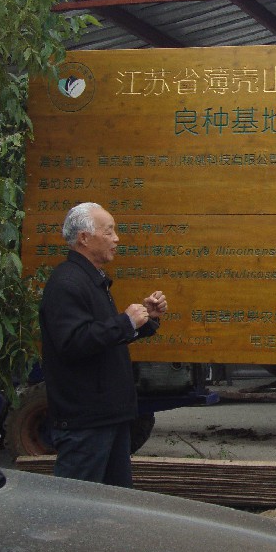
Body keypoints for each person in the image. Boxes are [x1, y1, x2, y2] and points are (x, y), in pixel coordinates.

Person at [39, 202, 167, 487]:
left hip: (108, 416)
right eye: (108, 232)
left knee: (113, 503)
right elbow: (72, 342)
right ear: (84, 238)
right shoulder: (67, 282)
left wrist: (145, 321)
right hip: (86, 421)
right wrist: (125, 322)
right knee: (78, 504)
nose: (116, 239)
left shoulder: (90, 279)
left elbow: (103, 339)